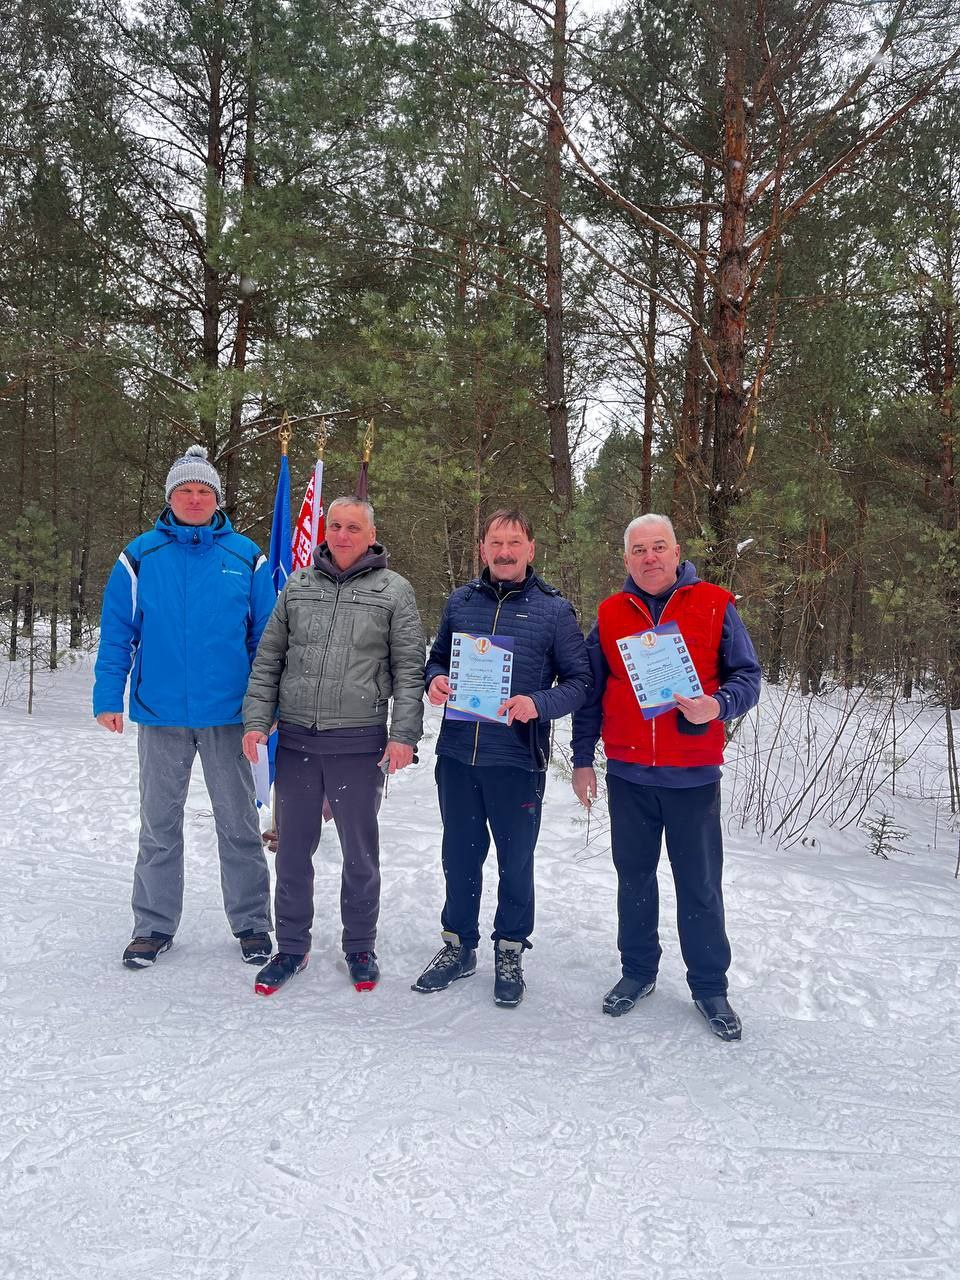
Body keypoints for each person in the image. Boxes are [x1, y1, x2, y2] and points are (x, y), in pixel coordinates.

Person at [571, 513, 761, 1041]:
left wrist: (717, 705)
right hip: (629, 774)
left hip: (692, 776)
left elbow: (748, 676)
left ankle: (709, 986)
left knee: (699, 884)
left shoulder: (715, 604)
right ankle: (637, 971)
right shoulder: (610, 613)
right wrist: (583, 758)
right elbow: (591, 691)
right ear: (626, 558)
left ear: (677, 553)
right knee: (633, 878)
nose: (649, 557)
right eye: (639, 550)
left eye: (659, 547)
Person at [93, 444, 275, 970]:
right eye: (185, 491)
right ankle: (152, 926)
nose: (195, 499)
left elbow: (266, 640)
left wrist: (264, 707)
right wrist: (108, 695)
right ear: (170, 497)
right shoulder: (139, 556)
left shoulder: (245, 556)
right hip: (161, 713)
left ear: (217, 499)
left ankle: (252, 923)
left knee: (239, 825)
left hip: (230, 716)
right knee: (158, 826)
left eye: (203, 491)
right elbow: (118, 632)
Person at [242, 497, 424, 996]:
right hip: (297, 742)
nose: (343, 535)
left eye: (354, 528)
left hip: (359, 744)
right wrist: (257, 720)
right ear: (326, 530)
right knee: (291, 852)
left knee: (360, 855)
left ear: (372, 535)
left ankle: (360, 945)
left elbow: (410, 669)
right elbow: (269, 659)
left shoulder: (393, 590)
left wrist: (403, 735)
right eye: (336, 526)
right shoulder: (299, 585)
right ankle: (291, 947)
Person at [411, 509, 591, 1007]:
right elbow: (437, 658)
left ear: (531, 549)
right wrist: (435, 679)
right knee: (459, 857)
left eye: (515, 542)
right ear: (483, 549)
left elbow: (580, 682)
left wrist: (538, 703)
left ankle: (510, 948)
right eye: (496, 542)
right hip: (458, 756)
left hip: (516, 760)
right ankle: (458, 946)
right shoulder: (461, 601)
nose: (505, 552)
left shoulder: (554, 610)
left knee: (516, 862)